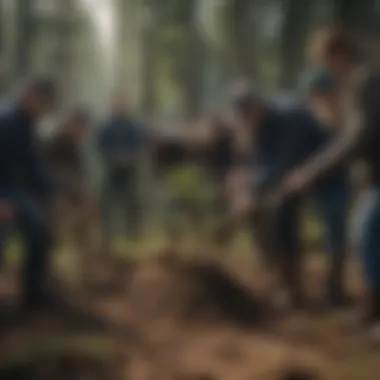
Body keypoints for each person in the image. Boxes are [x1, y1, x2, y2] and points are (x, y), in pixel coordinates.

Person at [282, 28, 380, 334]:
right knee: (365, 237)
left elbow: (359, 136)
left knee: (366, 236)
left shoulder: (365, 81)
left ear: (338, 55)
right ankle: (371, 312)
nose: (324, 68)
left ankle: (375, 314)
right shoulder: (361, 82)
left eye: (324, 60)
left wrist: (310, 172)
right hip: (372, 177)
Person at [229, 84, 323, 307]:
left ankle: (293, 286)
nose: (245, 120)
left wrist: (252, 192)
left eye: (247, 114)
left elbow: (283, 162)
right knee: (259, 217)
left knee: (284, 215)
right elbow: (253, 162)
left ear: (257, 106)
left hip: (321, 168)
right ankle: (272, 274)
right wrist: (244, 191)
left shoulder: (288, 118)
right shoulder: (254, 124)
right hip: (289, 173)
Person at [0, 77, 56, 312]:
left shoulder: (29, 125)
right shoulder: (6, 120)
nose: (42, 108)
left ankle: (33, 295)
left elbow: (32, 166)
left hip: (16, 191)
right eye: (40, 101)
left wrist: (51, 192)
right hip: (4, 192)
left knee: (40, 231)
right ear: (29, 95)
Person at [300, 68, 352, 307]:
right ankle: (330, 285)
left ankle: (334, 287)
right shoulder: (312, 118)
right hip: (320, 184)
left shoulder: (345, 116)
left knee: (336, 233)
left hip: (338, 183)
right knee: (330, 234)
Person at [44, 108, 98, 282]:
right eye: (81, 128)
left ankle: (85, 270)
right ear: (73, 124)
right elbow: (52, 172)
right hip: (56, 196)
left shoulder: (73, 145)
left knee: (81, 232)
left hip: (72, 195)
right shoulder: (54, 142)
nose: (82, 133)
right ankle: (50, 273)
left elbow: (78, 173)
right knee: (55, 235)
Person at [98, 92, 147, 248]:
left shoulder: (132, 125)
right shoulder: (106, 126)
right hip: (112, 170)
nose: (119, 105)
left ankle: (133, 234)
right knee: (108, 202)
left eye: (121, 102)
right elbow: (100, 145)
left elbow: (141, 144)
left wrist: (130, 157)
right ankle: (108, 235)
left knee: (132, 202)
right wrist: (113, 157)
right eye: (116, 102)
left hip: (129, 170)